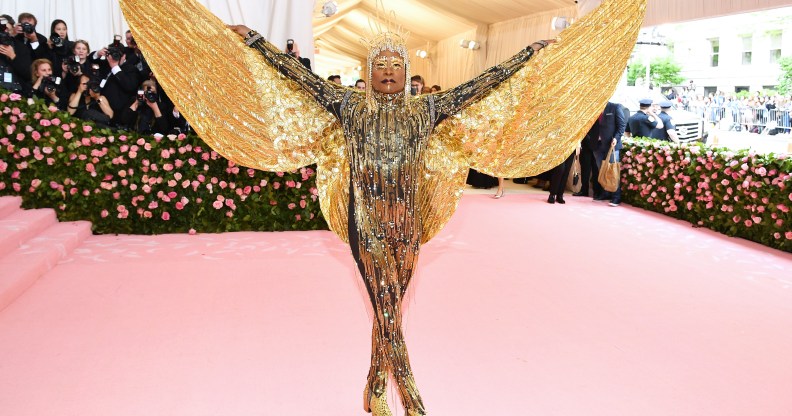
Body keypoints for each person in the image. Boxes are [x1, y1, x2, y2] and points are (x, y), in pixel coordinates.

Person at [122, 0, 645, 413]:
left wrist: (528, 54)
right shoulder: (347, 106)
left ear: (406, 69)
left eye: (396, 64)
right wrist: (256, 40)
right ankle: (410, 394)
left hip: (407, 219)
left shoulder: (428, 110)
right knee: (387, 302)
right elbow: (297, 78)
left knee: (388, 303)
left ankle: (374, 387)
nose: (389, 71)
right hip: (363, 219)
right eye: (380, 65)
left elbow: (481, 84)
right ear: (368, 72)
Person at [594, 101, 627, 206]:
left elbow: (622, 126)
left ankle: (616, 197)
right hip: (597, 145)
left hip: (611, 145)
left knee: (613, 171)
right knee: (602, 170)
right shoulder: (593, 106)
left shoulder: (615, 107)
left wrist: (616, 138)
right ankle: (605, 193)